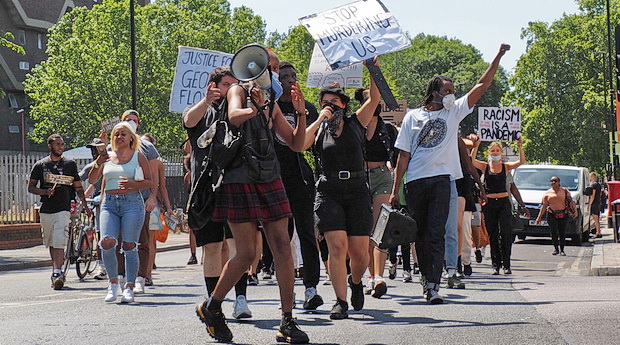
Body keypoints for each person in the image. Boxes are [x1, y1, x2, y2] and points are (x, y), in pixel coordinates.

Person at [195, 53, 309, 343]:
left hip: (269, 175)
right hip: (240, 177)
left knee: (283, 246)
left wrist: (302, 113)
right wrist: (255, 107)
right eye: (270, 67)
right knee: (246, 254)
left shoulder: (270, 102)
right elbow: (234, 116)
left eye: (274, 68)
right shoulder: (238, 91)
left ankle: (287, 321)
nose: (274, 72)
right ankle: (213, 306)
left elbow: (296, 144)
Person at [390, 44, 511, 304]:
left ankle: (433, 285)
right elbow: (403, 155)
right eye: (447, 91)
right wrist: (394, 190)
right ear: (434, 93)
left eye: (453, 91)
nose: (451, 94)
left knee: (435, 231)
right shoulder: (412, 117)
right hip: (415, 182)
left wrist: (498, 56)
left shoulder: (453, 111)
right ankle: (426, 279)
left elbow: (482, 85)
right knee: (419, 234)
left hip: (442, 181)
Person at [302, 59, 380, 319]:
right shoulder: (318, 129)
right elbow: (300, 143)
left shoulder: (357, 123)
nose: (330, 106)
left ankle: (355, 282)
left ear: (344, 105)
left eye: (334, 103)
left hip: (357, 191)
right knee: (337, 248)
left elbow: (375, 98)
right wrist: (318, 120)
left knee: (359, 254)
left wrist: (373, 68)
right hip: (329, 191)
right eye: (325, 103)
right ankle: (340, 301)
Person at [184, 66, 252, 320]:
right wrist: (205, 101)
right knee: (212, 248)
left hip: (235, 186)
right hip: (207, 191)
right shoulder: (203, 111)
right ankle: (215, 303)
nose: (232, 89)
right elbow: (188, 121)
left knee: (238, 248)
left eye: (235, 84)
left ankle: (241, 299)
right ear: (214, 86)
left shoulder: (240, 111)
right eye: (226, 84)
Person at [275, 60, 324, 309]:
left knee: (306, 232)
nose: (291, 79)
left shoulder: (309, 108)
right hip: (274, 178)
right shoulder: (268, 107)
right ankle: (287, 291)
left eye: (294, 75)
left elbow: (313, 143)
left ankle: (311, 288)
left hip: (300, 178)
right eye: (285, 76)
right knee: (281, 237)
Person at [89, 122, 152, 303]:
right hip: (109, 203)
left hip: (132, 203)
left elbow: (149, 181)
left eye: (123, 134)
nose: (119, 137)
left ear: (131, 137)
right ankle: (113, 283)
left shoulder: (138, 157)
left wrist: (132, 184)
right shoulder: (107, 157)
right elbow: (93, 179)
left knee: (130, 245)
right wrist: (98, 162)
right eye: (116, 134)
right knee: (106, 242)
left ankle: (130, 286)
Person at [28, 134, 92, 290]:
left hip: (63, 208)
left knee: (59, 239)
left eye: (62, 144)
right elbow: (31, 187)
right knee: (50, 241)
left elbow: (78, 187)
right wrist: (44, 192)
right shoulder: (40, 165)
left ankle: (57, 272)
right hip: (46, 209)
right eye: (57, 144)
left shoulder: (70, 165)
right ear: (50, 146)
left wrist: (85, 205)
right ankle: (55, 270)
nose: (61, 147)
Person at [356, 87, 398, 298]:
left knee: (379, 227)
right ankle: (370, 276)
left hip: (382, 176)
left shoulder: (389, 129)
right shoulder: (355, 126)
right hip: (359, 178)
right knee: (364, 230)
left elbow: (399, 156)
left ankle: (379, 277)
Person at [117, 109, 161, 294]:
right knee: (120, 241)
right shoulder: (115, 145)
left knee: (142, 240)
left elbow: (154, 177)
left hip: (140, 200)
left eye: (134, 120)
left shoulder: (147, 147)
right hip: (118, 201)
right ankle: (122, 276)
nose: (131, 122)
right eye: (128, 120)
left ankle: (141, 277)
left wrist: (152, 197)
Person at [471, 136, 525, 275]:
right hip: (489, 204)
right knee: (493, 235)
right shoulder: (485, 167)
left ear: (501, 153)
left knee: (505, 234)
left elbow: (521, 162)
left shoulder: (505, 167)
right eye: (493, 151)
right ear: (489, 153)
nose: (495, 153)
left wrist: (519, 146)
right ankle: (496, 265)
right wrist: (476, 145)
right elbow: (471, 161)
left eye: (497, 150)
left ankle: (506, 264)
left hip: (503, 203)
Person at [141, 133, 172, 286]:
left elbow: (162, 187)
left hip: (151, 202)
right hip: (136, 200)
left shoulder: (158, 163)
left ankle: (147, 274)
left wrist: (168, 207)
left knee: (150, 240)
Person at [80, 138, 107, 280]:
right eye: (91, 149)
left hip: (112, 198)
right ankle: (102, 266)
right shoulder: (91, 166)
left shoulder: (111, 162)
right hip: (98, 202)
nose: (93, 152)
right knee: (100, 234)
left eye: (95, 149)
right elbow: (78, 180)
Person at [535, 176, 577, 255]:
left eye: (555, 181)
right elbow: (544, 206)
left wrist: (575, 211)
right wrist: (539, 217)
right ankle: (556, 249)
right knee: (553, 232)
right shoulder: (547, 193)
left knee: (562, 232)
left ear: (559, 182)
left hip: (563, 214)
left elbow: (571, 201)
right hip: (552, 214)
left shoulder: (564, 191)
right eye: (551, 181)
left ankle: (562, 250)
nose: (553, 182)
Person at [589, 172, 602, 238]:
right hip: (598, 202)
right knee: (597, 218)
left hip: (594, 203)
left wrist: (590, 203)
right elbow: (599, 194)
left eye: (590, 177)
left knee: (595, 218)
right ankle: (598, 231)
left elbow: (593, 195)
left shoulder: (593, 185)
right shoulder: (598, 185)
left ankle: (598, 232)